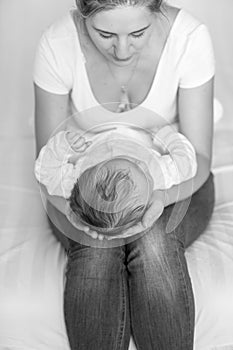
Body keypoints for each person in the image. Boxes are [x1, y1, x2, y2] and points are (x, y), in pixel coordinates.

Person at [33, 0, 215, 348]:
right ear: (81, 12)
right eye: (104, 34)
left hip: (176, 181)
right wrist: (81, 214)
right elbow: (47, 164)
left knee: (155, 242)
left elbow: (198, 157)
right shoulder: (57, 45)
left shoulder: (189, 38)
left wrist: (159, 198)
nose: (121, 49)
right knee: (96, 248)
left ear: (157, 11)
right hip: (85, 183)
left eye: (138, 33)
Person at [34, 124, 197, 236]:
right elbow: (187, 163)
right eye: (146, 176)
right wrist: (165, 134)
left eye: (131, 163)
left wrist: (63, 145)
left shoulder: (80, 179)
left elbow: (45, 172)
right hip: (143, 134)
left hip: (94, 133)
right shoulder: (158, 174)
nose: (141, 163)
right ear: (147, 203)